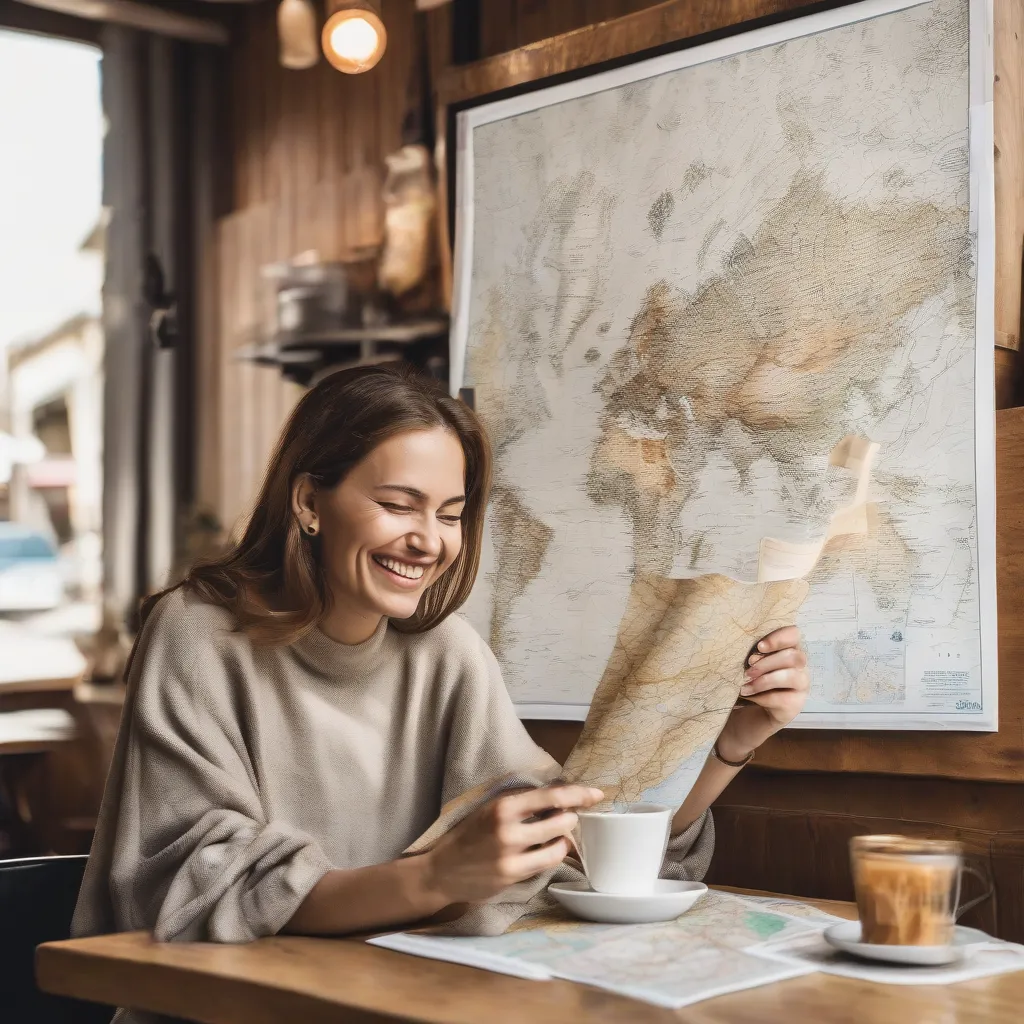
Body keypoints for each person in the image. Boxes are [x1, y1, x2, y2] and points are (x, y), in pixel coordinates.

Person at [73, 364, 809, 951]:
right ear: (308, 503)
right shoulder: (198, 632)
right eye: (398, 505)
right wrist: (433, 879)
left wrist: (729, 745)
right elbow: (196, 888)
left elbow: (578, 850)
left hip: (380, 1000)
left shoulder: (446, 654)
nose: (429, 540)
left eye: (450, 514)